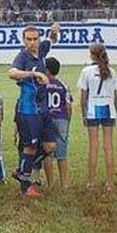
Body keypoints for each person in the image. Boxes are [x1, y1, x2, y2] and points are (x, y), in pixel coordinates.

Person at [8, 23, 60, 197]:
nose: (32, 42)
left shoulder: (42, 50)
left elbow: (52, 40)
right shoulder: (22, 57)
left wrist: (54, 31)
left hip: (43, 108)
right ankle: (25, 187)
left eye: (35, 39)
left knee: (50, 146)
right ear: (24, 41)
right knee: (30, 148)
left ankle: (23, 170)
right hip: (28, 108)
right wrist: (33, 74)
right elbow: (12, 72)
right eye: (28, 39)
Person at [78, 44, 117, 191]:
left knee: (93, 146)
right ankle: (109, 183)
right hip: (109, 110)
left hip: (92, 111)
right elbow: (115, 95)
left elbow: (83, 97)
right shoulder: (112, 71)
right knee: (108, 147)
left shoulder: (86, 71)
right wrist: (115, 112)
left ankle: (92, 182)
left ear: (92, 55)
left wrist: (83, 114)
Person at [45, 57, 73, 189]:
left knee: (47, 153)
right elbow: (68, 105)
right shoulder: (63, 84)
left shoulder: (42, 83)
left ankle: (51, 184)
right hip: (61, 118)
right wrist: (68, 120)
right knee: (62, 153)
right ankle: (64, 184)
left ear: (46, 70)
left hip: (47, 119)